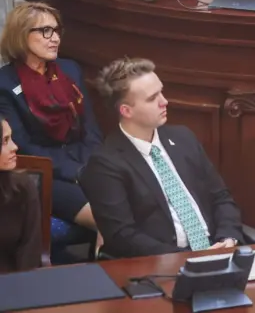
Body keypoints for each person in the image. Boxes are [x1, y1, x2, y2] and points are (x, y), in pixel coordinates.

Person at [80, 58, 244, 257]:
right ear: (126, 111)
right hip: (161, 263)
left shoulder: (184, 138)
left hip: (216, 251)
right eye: (152, 98)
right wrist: (186, 258)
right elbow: (122, 236)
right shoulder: (106, 163)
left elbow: (221, 197)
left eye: (161, 91)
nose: (164, 101)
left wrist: (228, 238)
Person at [0, 2, 102, 244]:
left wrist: (94, 164)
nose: (54, 38)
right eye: (45, 31)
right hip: (44, 173)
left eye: (56, 31)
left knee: (129, 213)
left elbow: (92, 128)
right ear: (22, 36)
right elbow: (22, 145)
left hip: (87, 164)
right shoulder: (4, 84)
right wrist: (74, 172)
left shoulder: (70, 70)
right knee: (109, 221)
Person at [0, 119, 42, 273]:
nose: (15, 147)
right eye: (5, 141)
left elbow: (30, 249)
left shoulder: (22, 186)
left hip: (14, 282)